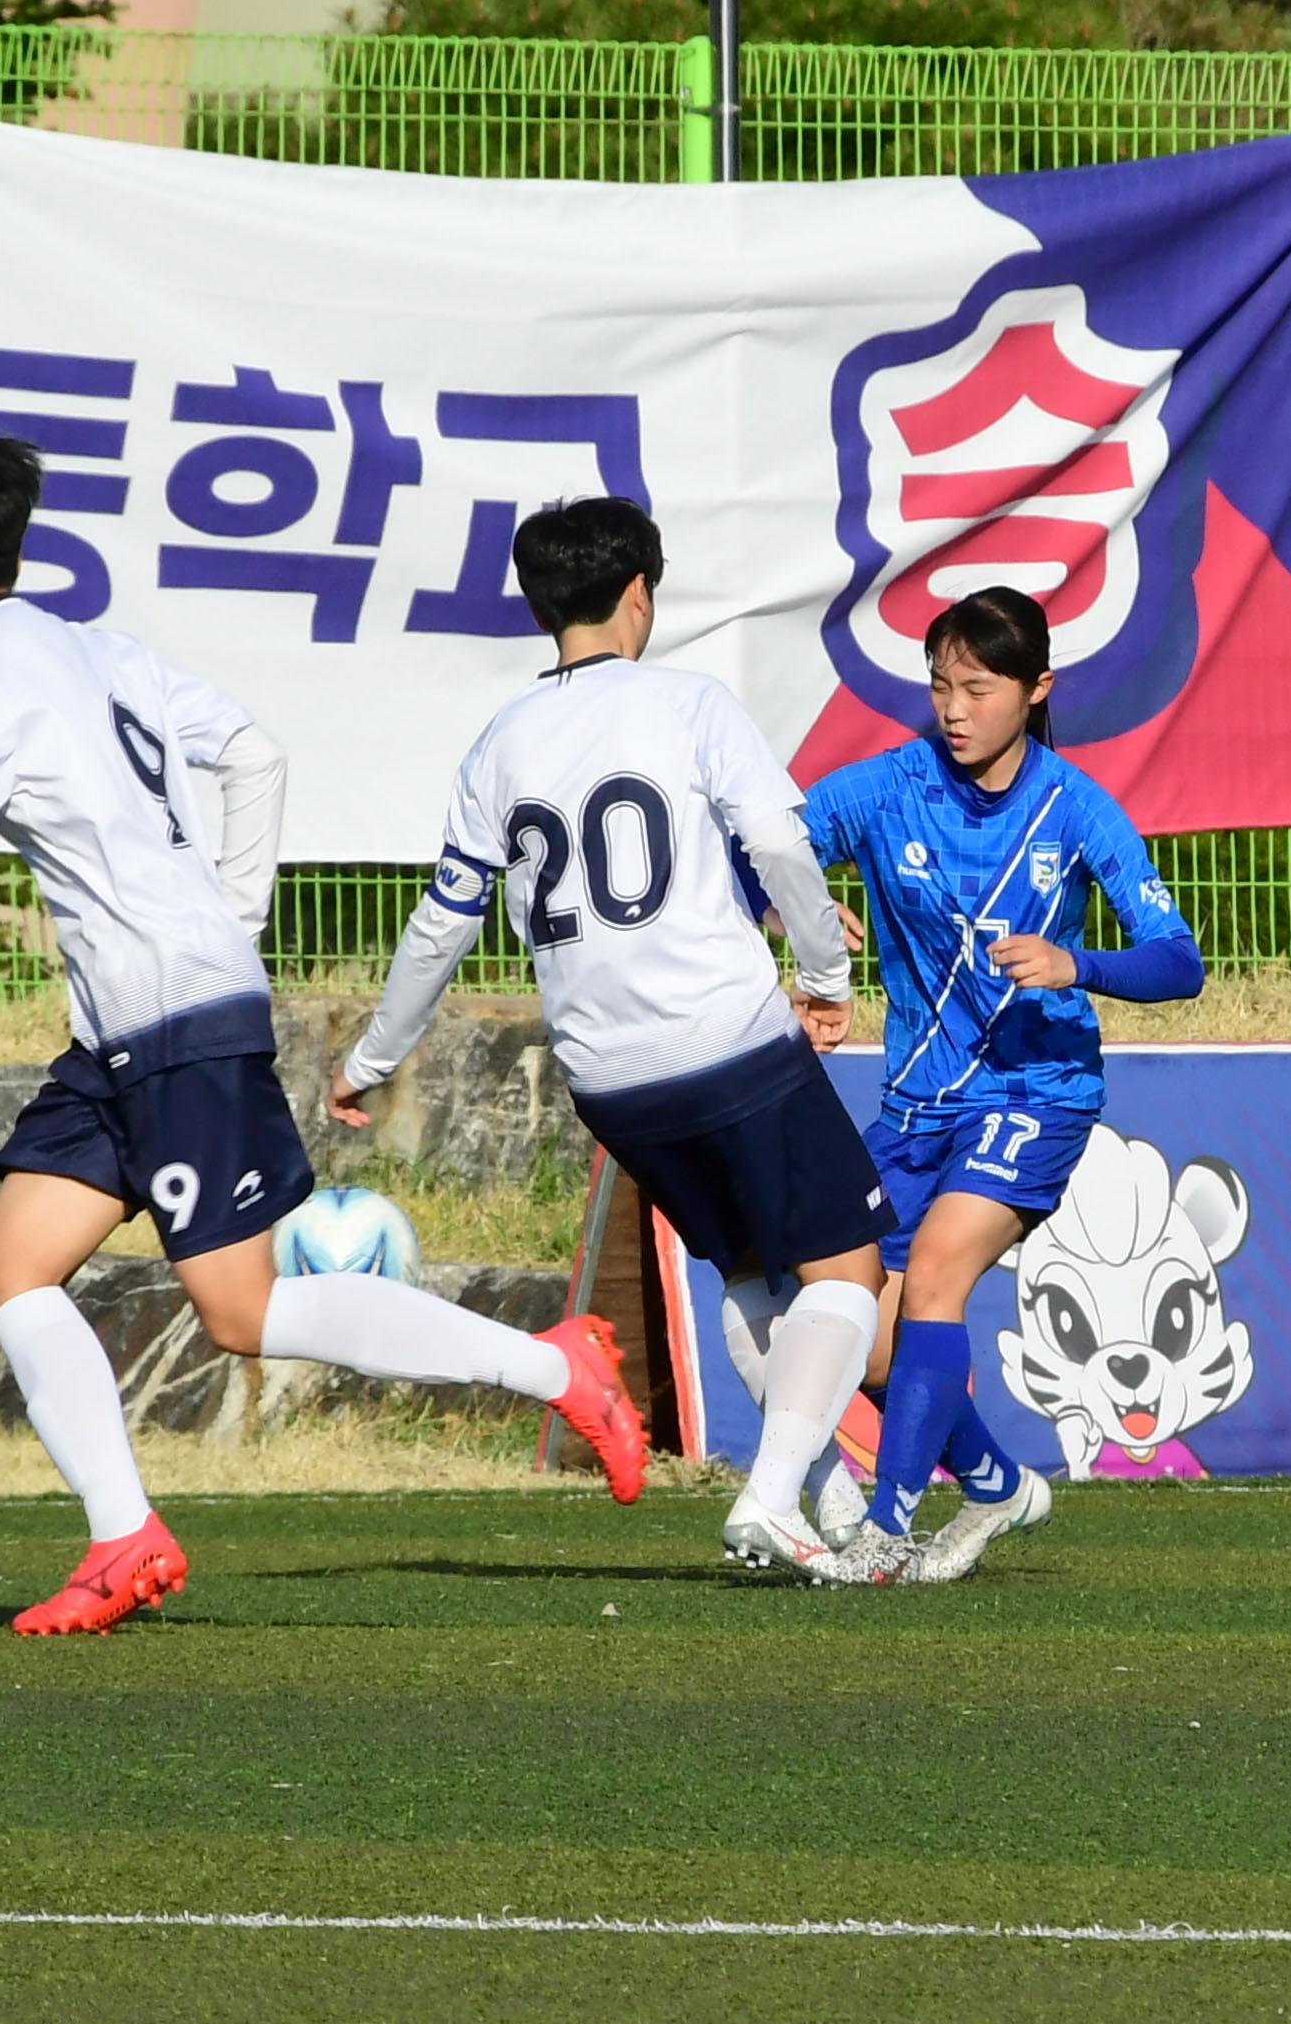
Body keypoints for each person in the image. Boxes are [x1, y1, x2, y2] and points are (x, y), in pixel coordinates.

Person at [0, 434, 645, 1637]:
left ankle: (558, 1365)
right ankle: (122, 1535)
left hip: (172, 1020)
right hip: (127, 1029)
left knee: (239, 1313)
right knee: (11, 1272)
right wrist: (230, 913)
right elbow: (256, 751)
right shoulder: (98, 648)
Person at [331, 497, 897, 1582]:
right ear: (640, 595)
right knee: (844, 1268)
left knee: (747, 1272)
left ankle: (827, 1491)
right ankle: (774, 1497)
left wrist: (370, 1055)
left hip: (610, 1076)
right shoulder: (689, 703)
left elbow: (444, 919)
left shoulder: (499, 741)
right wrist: (826, 975)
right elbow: (777, 840)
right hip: (726, 1039)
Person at [791, 585, 1208, 1585]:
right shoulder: (889, 787)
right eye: (940, 684)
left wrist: (1078, 965)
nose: (953, 707)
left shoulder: (1076, 807)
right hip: (914, 1106)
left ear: (1036, 689)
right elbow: (761, 844)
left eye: (977, 686)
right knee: (873, 1341)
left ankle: (887, 1533)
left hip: (1038, 1091)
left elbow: (1179, 959)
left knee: (935, 1275)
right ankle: (994, 1481)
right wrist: (792, 910)